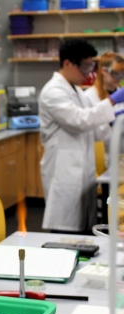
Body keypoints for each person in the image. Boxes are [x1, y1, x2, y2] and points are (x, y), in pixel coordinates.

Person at [39, 39, 124, 234]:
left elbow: (93, 126)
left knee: (83, 230)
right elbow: (80, 120)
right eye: (85, 66)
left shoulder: (77, 91)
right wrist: (112, 101)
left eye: (91, 66)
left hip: (81, 167)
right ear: (68, 63)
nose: (88, 72)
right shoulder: (53, 91)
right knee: (65, 233)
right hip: (63, 169)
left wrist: (111, 120)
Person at [84, 52, 124, 164]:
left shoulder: (121, 95)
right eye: (115, 74)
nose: (119, 78)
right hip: (102, 159)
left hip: (120, 158)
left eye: (123, 74)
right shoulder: (89, 96)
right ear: (103, 71)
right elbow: (92, 131)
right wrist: (111, 122)